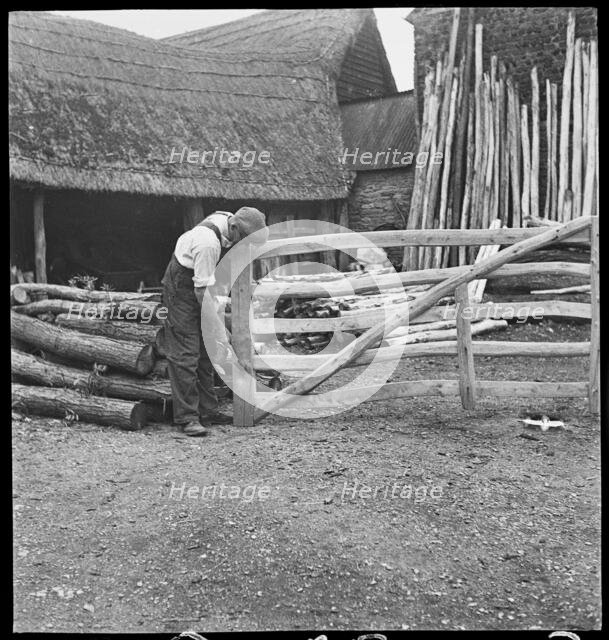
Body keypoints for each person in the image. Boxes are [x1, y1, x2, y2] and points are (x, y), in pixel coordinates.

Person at [159, 207, 267, 437]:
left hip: (201, 286)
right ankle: (187, 417)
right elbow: (201, 293)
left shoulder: (228, 222)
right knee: (185, 354)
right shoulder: (208, 243)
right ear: (236, 229)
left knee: (207, 352)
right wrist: (219, 329)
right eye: (243, 240)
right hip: (182, 290)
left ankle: (208, 411)